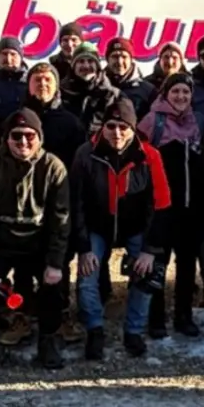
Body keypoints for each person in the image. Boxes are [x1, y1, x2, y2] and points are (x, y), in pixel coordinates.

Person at [0, 108, 71, 373]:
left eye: (29, 136)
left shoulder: (53, 167)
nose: (23, 142)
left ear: (39, 138)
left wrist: (55, 263)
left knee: (55, 286)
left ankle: (48, 339)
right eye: (17, 136)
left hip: (38, 240)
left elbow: (61, 219)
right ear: (6, 138)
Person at [70, 97, 172, 358]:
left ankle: (134, 331)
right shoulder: (85, 153)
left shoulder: (149, 156)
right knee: (87, 279)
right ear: (102, 127)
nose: (117, 133)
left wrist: (150, 249)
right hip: (97, 226)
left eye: (123, 127)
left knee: (145, 274)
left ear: (133, 128)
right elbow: (76, 203)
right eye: (111, 126)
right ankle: (95, 330)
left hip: (135, 226)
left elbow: (161, 204)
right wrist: (83, 247)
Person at [0, 62, 87, 348]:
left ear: (56, 85)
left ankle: (59, 317)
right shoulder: (15, 120)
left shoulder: (70, 122)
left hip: (58, 203)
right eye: (37, 80)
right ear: (29, 85)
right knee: (23, 268)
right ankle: (22, 316)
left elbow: (80, 166)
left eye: (48, 80)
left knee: (58, 263)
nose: (42, 85)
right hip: (21, 207)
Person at [138, 73, 204, 338]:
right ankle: (155, 319)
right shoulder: (151, 122)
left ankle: (184, 315)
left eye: (186, 92)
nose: (181, 97)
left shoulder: (198, 122)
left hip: (191, 208)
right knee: (158, 263)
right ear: (165, 94)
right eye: (175, 92)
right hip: (161, 210)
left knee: (187, 264)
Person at [103, 37, 158, 118]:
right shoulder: (98, 86)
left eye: (124, 57)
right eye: (115, 56)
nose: (119, 61)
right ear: (108, 60)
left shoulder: (148, 90)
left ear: (131, 59)